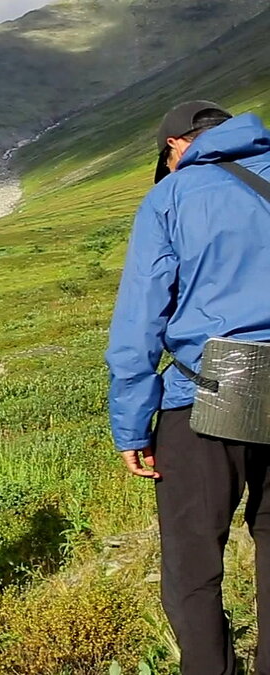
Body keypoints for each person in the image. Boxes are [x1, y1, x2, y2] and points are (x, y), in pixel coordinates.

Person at [106, 101, 270, 674]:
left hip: (206, 396)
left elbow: (139, 322)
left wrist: (131, 425)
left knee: (194, 568)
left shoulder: (172, 196)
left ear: (177, 144)